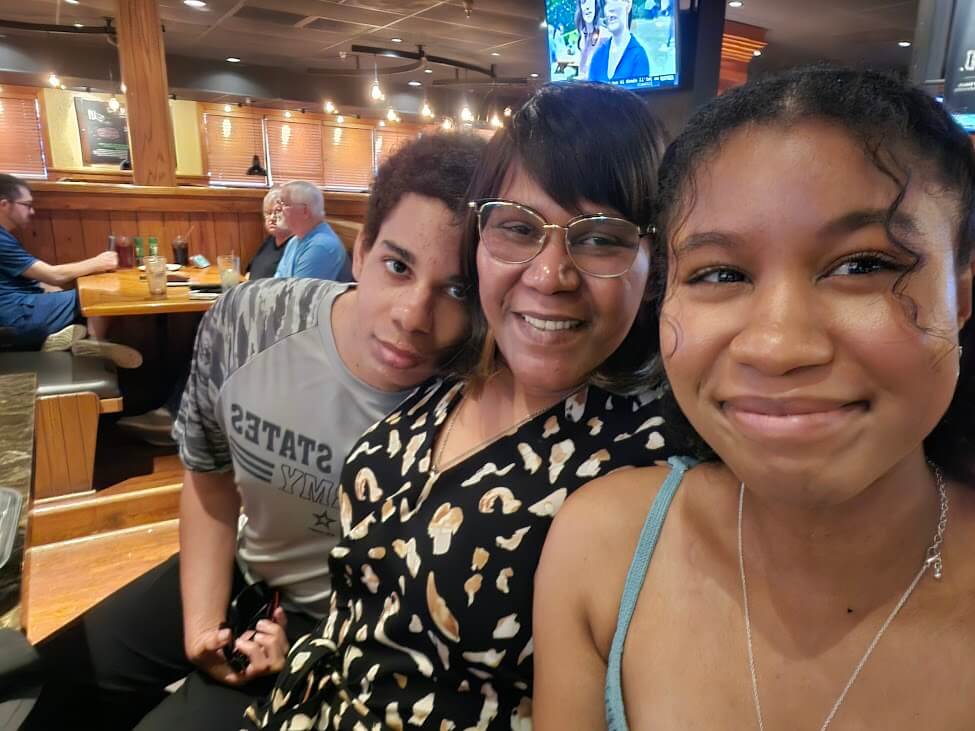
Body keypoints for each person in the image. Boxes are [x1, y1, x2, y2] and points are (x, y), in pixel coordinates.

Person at [533, 66, 975, 730]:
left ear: (961, 298)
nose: (776, 344)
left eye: (862, 265)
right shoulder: (603, 549)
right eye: (719, 273)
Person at [247, 81, 694, 731]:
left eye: (600, 239)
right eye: (517, 227)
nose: (549, 274)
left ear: (653, 263)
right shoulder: (449, 371)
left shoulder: (661, 461)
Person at [22, 131, 488, 731]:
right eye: (397, 266)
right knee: (57, 683)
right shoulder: (249, 322)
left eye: (457, 289)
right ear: (361, 249)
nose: (413, 316)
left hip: (349, 638)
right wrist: (200, 622)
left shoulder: (478, 404)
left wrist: (305, 658)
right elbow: (210, 483)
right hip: (245, 567)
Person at [0, 174, 142, 368]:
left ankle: (62, 339)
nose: (32, 211)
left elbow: (36, 279)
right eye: (27, 205)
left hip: (17, 311)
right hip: (16, 319)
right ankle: (94, 346)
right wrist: (98, 262)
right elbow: (53, 274)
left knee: (74, 292)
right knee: (101, 294)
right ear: (5, 205)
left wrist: (51, 290)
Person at [273, 180, 352, 281]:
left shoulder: (321, 246)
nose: (277, 208)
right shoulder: (294, 241)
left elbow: (299, 295)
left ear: (305, 211)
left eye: (284, 203)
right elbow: (277, 282)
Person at [589, 0, 649, 83]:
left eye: (614, 1)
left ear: (628, 3)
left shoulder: (638, 56)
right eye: (606, 3)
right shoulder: (598, 55)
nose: (610, 9)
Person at [245, 187, 292, 280]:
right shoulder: (270, 240)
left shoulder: (295, 245)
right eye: (268, 213)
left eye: (278, 212)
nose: (272, 218)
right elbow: (249, 272)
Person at [575, 0, 606, 80]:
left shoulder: (605, 36)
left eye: (590, 1)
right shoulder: (581, 37)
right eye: (584, 1)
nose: (588, 7)